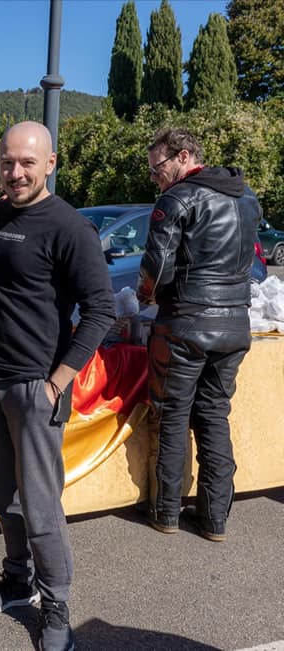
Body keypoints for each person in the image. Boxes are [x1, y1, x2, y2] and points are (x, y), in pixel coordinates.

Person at [0, 121, 114, 651]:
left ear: (50, 163)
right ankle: (16, 579)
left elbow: (101, 312)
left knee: (41, 504)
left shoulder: (70, 227)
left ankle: (56, 604)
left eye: (28, 162)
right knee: (3, 494)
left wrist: (57, 383)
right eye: (8, 162)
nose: (16, 171)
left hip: (36, 386)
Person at [138, 128, 259, 543]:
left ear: (183, 156)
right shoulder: (247, 197)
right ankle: (215, 520)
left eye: (158, 168)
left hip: (186, 321)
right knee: (213, 415)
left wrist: (144, 298)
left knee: (173, 416)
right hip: (236, 322)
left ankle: (167, 512)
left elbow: (156, 267)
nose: (155, 177)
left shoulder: (177, 198)